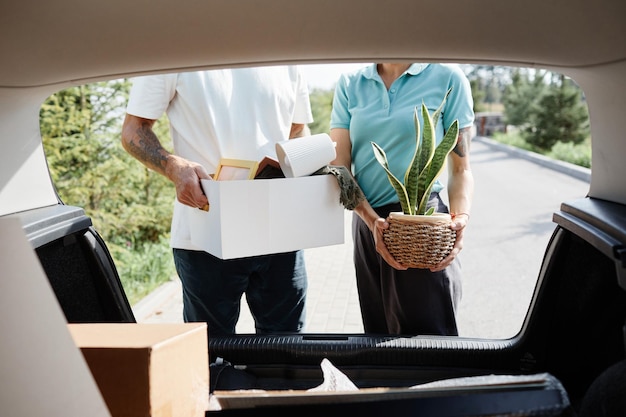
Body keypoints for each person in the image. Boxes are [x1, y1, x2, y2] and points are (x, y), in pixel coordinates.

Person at [121, 66, 313, 336]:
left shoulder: (286, 55)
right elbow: (132, 131)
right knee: (211, 356)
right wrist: (173, 166)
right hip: (206, 233)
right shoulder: (169, 47)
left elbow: (298, 129)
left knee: (289, 353)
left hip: (280, 233)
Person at [329, 63, 474, 336]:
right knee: (378, 338)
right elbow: (340, 167)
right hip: (367, 219)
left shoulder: (448, 77)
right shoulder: (351, 83)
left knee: (428, 343)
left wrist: (460, 221)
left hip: (420, 223)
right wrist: (371, 221)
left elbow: (461, 169)